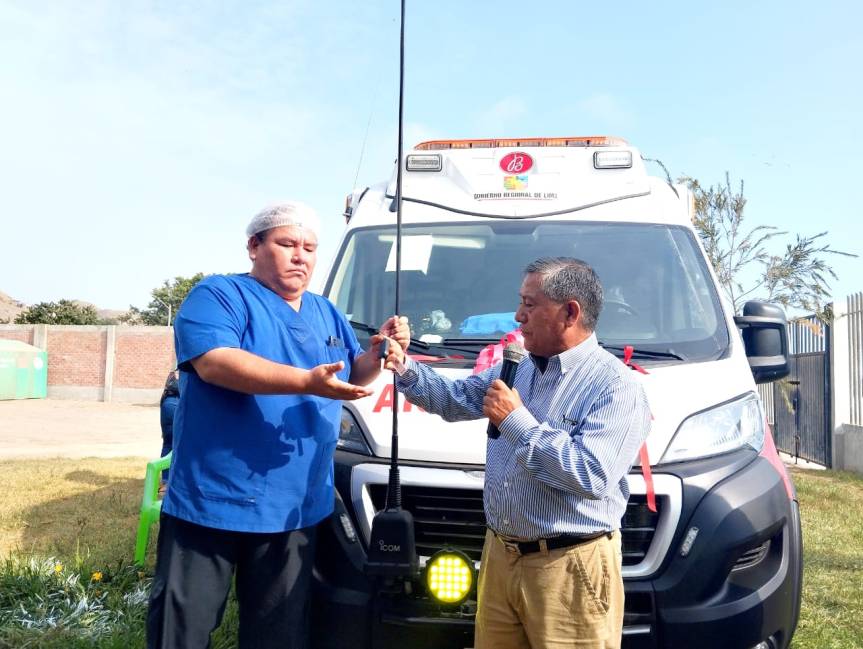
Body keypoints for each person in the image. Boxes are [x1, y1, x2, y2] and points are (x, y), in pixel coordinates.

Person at [146, 201, 410, 649]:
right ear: (254, 246)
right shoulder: (218, 296)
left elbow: (348, 375)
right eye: (287, 244)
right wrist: (305, 381)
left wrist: (376, 354)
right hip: (214, 498)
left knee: (279, 631)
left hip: (295, 506)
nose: (301, 256)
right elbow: (215, 363)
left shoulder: (326, 312)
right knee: (183, 628)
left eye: (309, 247)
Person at [384, 257, 651, 649]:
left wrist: (516, 421)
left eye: (529, 304)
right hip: (500, 558)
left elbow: (591, 473)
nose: (517, 316)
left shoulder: (617, 387)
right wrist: (404, 366)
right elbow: (455, 398)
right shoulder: (518, 369)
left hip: (569, 567)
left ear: (570, 312)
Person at [157, 369, 179, 496]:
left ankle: (165, 482)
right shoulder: (186, 370)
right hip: (177, 403)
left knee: (167, 444)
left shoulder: (173, 373)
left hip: (166, 405)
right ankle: (177, 481)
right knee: (180, 444)